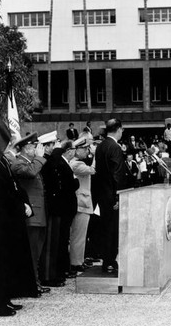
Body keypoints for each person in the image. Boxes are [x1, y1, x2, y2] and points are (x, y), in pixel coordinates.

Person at [0, 120, 38, 319]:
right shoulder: (0, 162)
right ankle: (0, 303)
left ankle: (5, 298)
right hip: (3, 218)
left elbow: (14, 186)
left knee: (6, 262)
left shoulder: (2, 161)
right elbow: (3, 192)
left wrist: (23, 202)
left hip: (9, 219)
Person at [11, 132, 51, 295]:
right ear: (27, 148)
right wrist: (40, 158)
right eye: (34, 146)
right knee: (32, 252)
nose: (36, 149)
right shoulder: (19, 163)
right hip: (31, 216)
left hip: (38, 214)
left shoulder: (30, 162)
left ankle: (35, 282)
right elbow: (31, 173)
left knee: (37, 251)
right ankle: (32, 285)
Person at [42, 140, 79, 284]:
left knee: (60, 241)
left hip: (60, 208)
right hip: (56, 207)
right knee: (54, 243)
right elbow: (67, 185)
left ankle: (57, 273)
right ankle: (50, 275)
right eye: (52, 145)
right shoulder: (53, 162)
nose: (53, 148)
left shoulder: (56, 162)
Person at [93, 118, 126, 273]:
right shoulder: (115, 147)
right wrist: (118, 196)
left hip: (101, 193)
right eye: (122, 129)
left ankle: (106, 260)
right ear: (118, 129)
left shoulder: (101, 146)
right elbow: (117, 174)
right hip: (112, 195)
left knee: (105, 228)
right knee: (113, 229)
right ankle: (111, 260)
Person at [69, 138, 96, 272]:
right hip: (81, 203)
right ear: (77, 150)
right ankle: (75, 262)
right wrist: (97, 154)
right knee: (78, 235)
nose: (87, 151)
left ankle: (78, 259)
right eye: (84, 149)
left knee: (80, 235)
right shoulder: (76, 164)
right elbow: (92, 170)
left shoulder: (77, 163)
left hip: (82, 203)